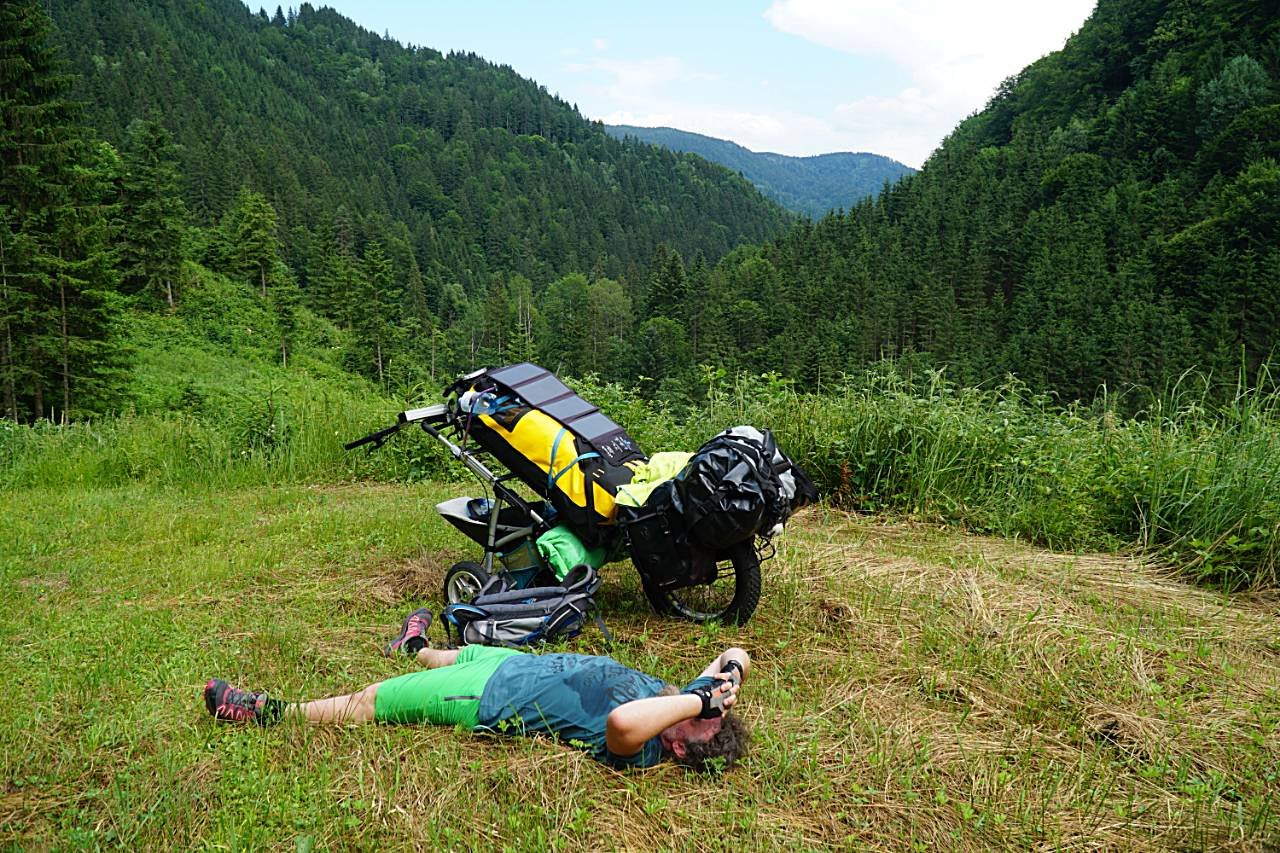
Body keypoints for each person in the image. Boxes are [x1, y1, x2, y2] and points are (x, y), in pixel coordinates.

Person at [203, 609, 751, 772]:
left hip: (490, 696)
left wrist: (699, 701)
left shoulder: (646, 743)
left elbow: (620, 724)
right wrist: (729, 676)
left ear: (682, 747)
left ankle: (271, 712)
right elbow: (735, 650)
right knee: (447, 654)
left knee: (374, 699)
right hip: (519, 665)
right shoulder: (683, 710)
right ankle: (413, 646)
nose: (703, 705)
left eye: (703, 720)